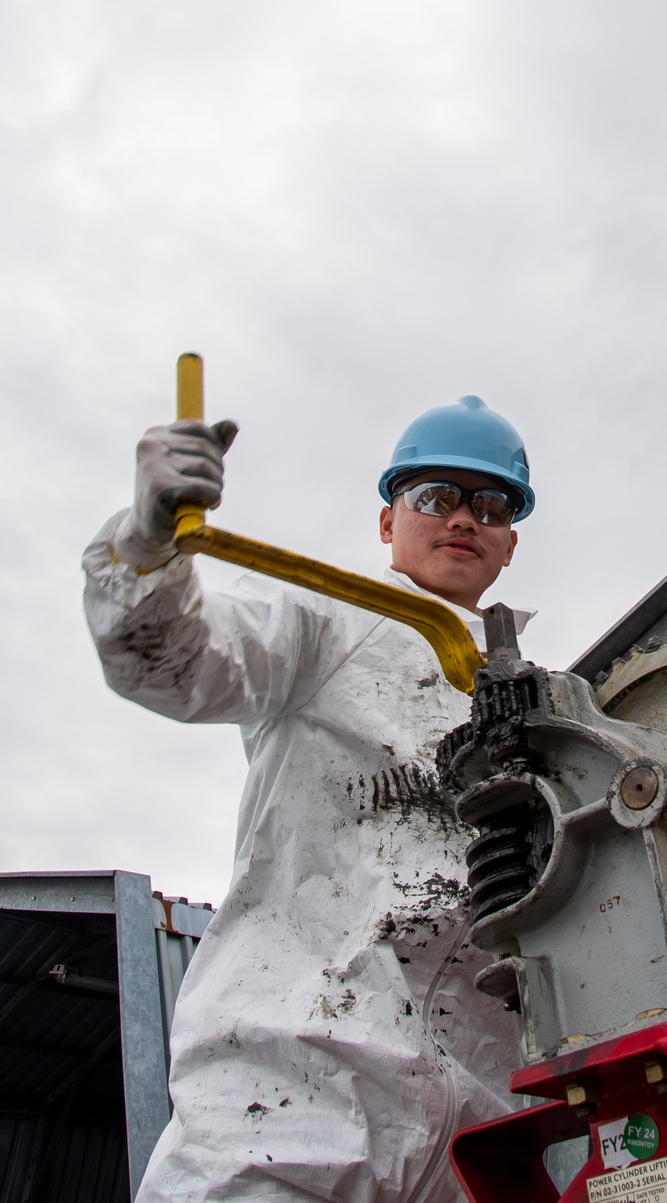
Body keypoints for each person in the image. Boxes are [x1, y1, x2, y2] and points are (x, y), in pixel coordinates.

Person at [83, 394, 535, 1202]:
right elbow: (175, 661)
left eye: (490, 503)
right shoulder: (329, 622)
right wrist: (145, 541)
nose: (463, 517)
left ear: (509, 540)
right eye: (434, 497)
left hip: (481, 1142)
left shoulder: (545, 700)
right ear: (388, 522)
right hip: (288, 1104)